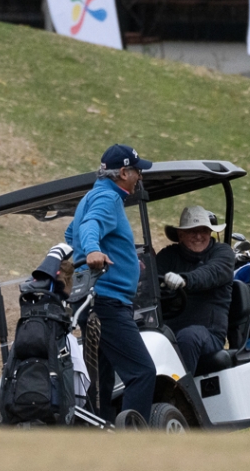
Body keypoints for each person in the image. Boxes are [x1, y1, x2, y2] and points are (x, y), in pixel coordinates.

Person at [66, 144, 156, 423]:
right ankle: (133, 442)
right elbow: (88, 227)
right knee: (142, 373)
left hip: (94, 301)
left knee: (101, 384)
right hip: (107, 303)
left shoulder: (91, 196)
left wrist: (120, 256)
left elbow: (71, 234)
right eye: (137, 171)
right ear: (124, 173)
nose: (140, 176)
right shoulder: (108, 198)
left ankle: (99, 439)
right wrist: (93, 250)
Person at [155, 206, 236, 374]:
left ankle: (180, 389)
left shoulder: (223, 253)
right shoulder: (168, 256)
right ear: (180, 235)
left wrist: (184, 280)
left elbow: (210, 273)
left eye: (204, 231)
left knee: (188, 337)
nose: (199, 236)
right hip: (168, 331)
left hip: (208, 334)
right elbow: (149, 280)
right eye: (192, 231)